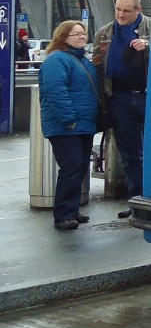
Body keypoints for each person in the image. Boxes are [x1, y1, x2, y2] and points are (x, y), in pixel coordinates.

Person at [93, 0, 151, 219]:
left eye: (126, 10)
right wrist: (103, 103)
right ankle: (137, 201)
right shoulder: (104, 34)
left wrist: (148, 46)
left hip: (149, 95)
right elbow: (97, 68)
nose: (120, 14)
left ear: (138, 10)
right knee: (130, 153)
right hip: (120, 98)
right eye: (118, 9)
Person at [38, 21, 99, 231]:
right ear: (63, 37)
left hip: (82, 125)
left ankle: (71, 210)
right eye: (76, 34)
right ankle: (63, 214)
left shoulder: (80, 59)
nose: (82, 37)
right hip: (67, 126)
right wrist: (69, 119)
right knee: (71, 167)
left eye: (84, 34)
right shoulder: (57, 60)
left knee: (78, 167)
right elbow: (56, 92)